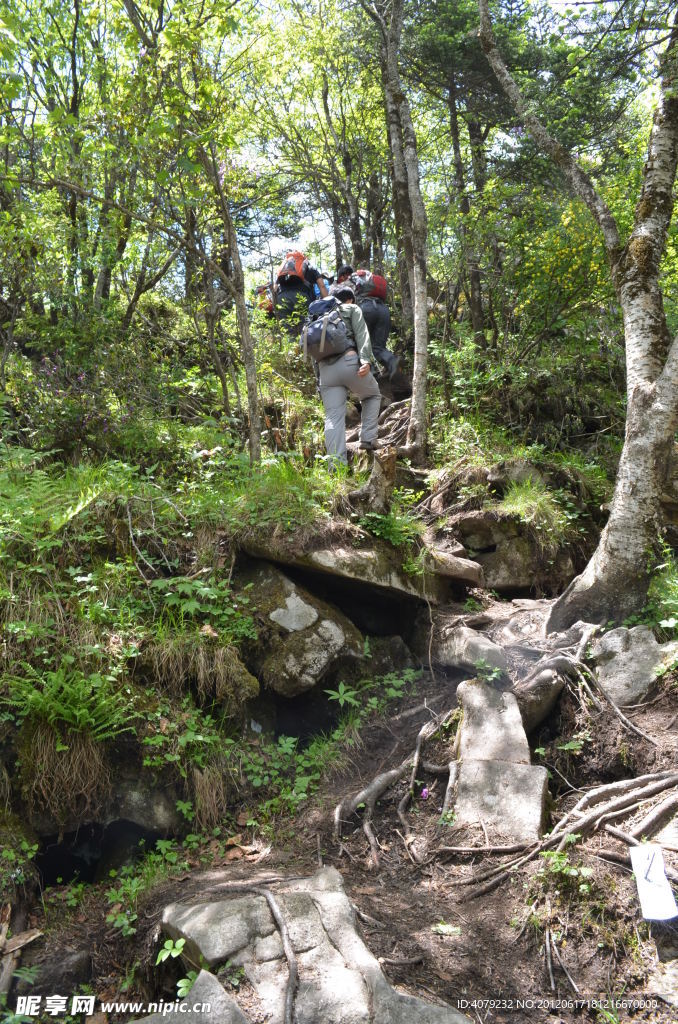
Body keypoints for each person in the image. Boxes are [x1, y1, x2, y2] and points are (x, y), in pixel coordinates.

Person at [317, 285, 382, 464]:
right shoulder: (351, 308)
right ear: (349, 299)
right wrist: (366, 360)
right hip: (349, 363)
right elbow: (362, 335)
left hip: (326, 371)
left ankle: (336, 466)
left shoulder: (320, 316)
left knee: (332, 416)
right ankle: (368, 438)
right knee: (372, 395)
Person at [335, 264, 399, 379]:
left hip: (366, 309)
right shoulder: (366, 278)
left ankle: (371, 374)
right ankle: (392, 361)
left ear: (343, 276)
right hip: (383, 310)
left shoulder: (349, 282)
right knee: (378, 347)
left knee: (359, 342)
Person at [274, 250, 328, 331]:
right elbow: (322, 286)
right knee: (304, 329)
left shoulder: (285, 271)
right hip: (301, 297)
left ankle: (289, 343)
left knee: (286, 330)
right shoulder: (311, 268)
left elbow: (275, 288)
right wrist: (327, 304)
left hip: (282, 298)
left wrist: (276, 304)